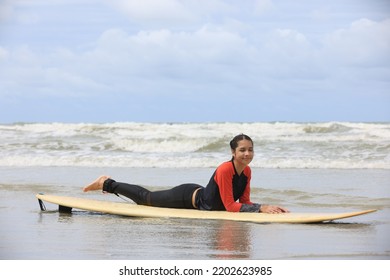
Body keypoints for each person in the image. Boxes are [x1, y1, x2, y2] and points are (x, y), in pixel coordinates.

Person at [83, 134, 289, 214]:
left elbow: (243, 201)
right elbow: (230, 206)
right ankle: (107, 183)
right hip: (186, 197)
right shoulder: (225, 168)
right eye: (242, 150)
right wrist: (262, 208)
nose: (247, 153)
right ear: (233, 153)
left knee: (146, 198)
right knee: (146, 199)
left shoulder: (247, 172)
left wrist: (263, 208)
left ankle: (107, 183)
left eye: (250, 149)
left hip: (198, 196)